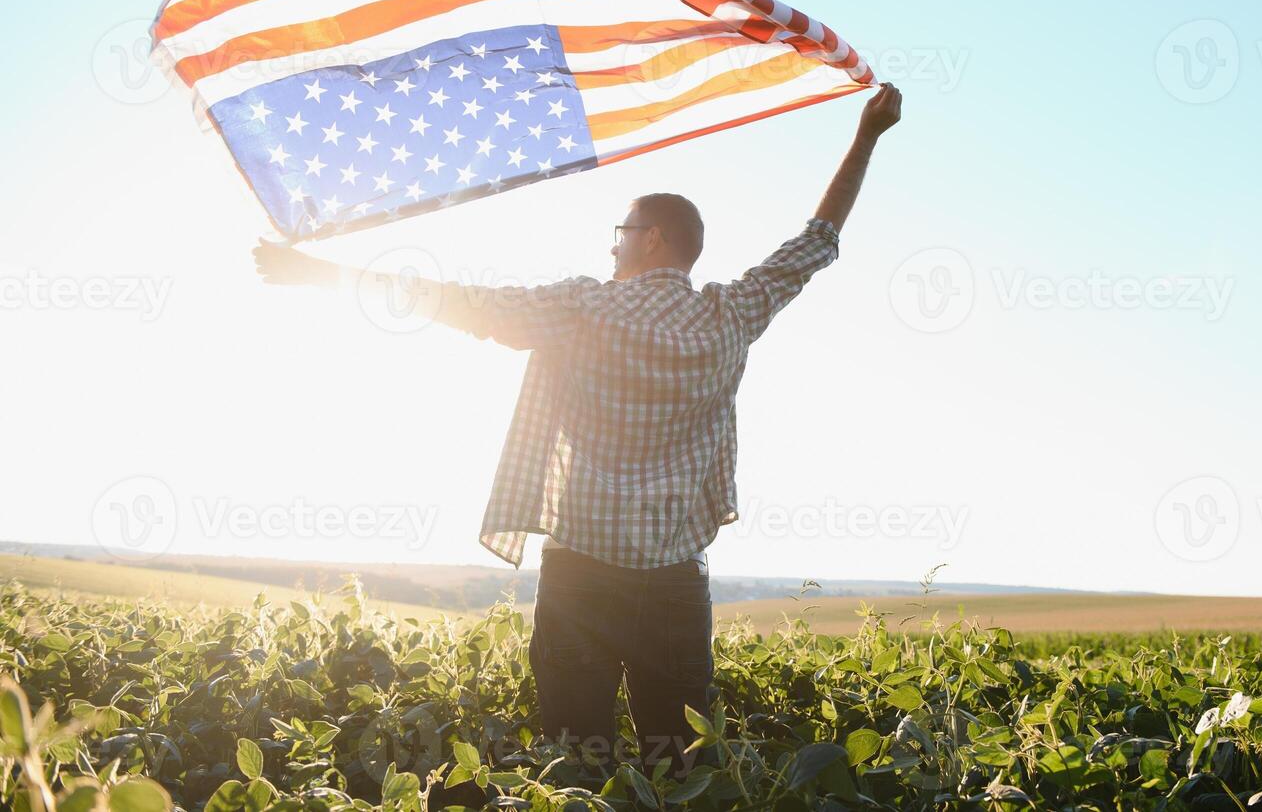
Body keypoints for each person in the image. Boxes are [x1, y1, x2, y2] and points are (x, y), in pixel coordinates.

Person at [252, 82, 903, 782]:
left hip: (580, 577)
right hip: (676, 584)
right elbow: (816, 240)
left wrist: (318, 275)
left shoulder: (580, 307)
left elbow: (455, 303)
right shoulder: (731, 315)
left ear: (651, 239)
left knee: (573, 765)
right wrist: (867, 135)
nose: (614, 247)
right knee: (679, 768)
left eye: (622, 232)